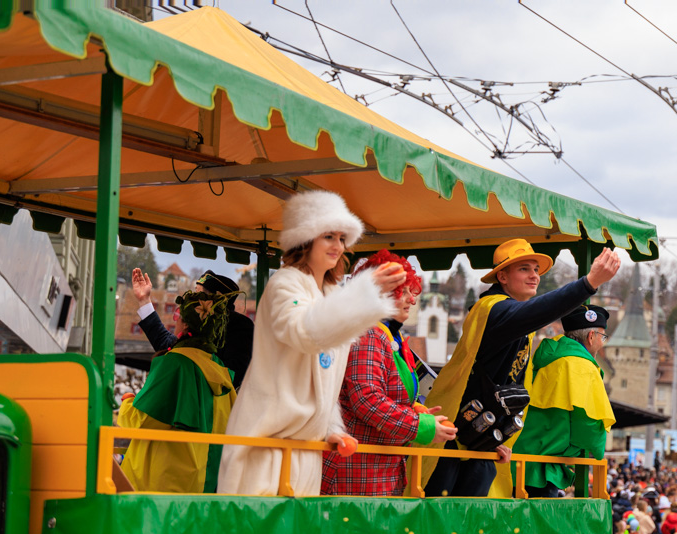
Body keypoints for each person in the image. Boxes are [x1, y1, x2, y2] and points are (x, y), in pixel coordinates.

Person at [218, 190, 406, 496]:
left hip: (305, 452)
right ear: (304, 239)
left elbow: (323, 375)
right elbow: (305, 333)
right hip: (265, 448)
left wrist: (331, 429)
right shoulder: (285, 283)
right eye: (328, 236)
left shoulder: (331, 295)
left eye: (342, 237)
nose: (338, 246)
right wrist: (363, 292)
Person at [419, 238, 621, 497]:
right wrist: (588, 283)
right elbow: (540, 310)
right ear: (502, 276)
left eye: (536, 270)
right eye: (524, 269)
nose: (534, 276)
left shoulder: (511, 314)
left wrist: (499, 437)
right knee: (447, 518)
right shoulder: (495, 310)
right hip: (455, 438)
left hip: (479, 439)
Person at [321, 250, 457, 496]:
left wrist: (414, 408)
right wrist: (420, 426)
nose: (412, 300)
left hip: (375, 471)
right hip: (358, 473)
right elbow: (366, 400)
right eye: (404, 291)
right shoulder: (369, 333)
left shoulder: (388, 335)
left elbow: (382, 393)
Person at [119, 289, 238, 493]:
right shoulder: (221, 370)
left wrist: (127, 403)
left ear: (185, 324)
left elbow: (140, 421)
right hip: (202, 487)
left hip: (159, 486)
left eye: (177, 317)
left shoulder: (175, 364)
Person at [510, 304, 616, 498]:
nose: (603, 342)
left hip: (518, 457)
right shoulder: (583, 366)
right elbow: (588, 424)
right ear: (591, 337)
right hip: (542, 468)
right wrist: (597, 451)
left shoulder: (544, 356)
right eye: (603, 336)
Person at [132, 268, 255, 389]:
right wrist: (144, 301)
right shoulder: (189, 342)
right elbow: (169, 344)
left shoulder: (240, 326)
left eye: (197, 294)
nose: (190, 299)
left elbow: (233, 376)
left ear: (211, 302)